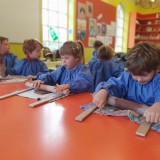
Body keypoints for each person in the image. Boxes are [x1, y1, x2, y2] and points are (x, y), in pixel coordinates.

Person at [93, 41, 160, 123]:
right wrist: (104, 90)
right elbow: (115, 84)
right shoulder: (127, 76)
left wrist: (158, 105)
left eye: (144, 75)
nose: (139, 79)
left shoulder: (157, 80)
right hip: (128, 121)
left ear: (156, 69)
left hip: (149, 121)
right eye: (135, 75)